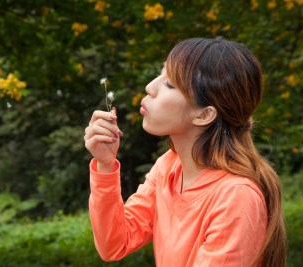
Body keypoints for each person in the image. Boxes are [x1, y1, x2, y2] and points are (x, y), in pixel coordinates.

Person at [84, 37, 287, 267]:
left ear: (203, 115)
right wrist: (105, 166)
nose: (150, 87)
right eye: (161, 73)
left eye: (170, 84)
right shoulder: (169, 167)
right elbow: (115, 243)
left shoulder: (236, 197)